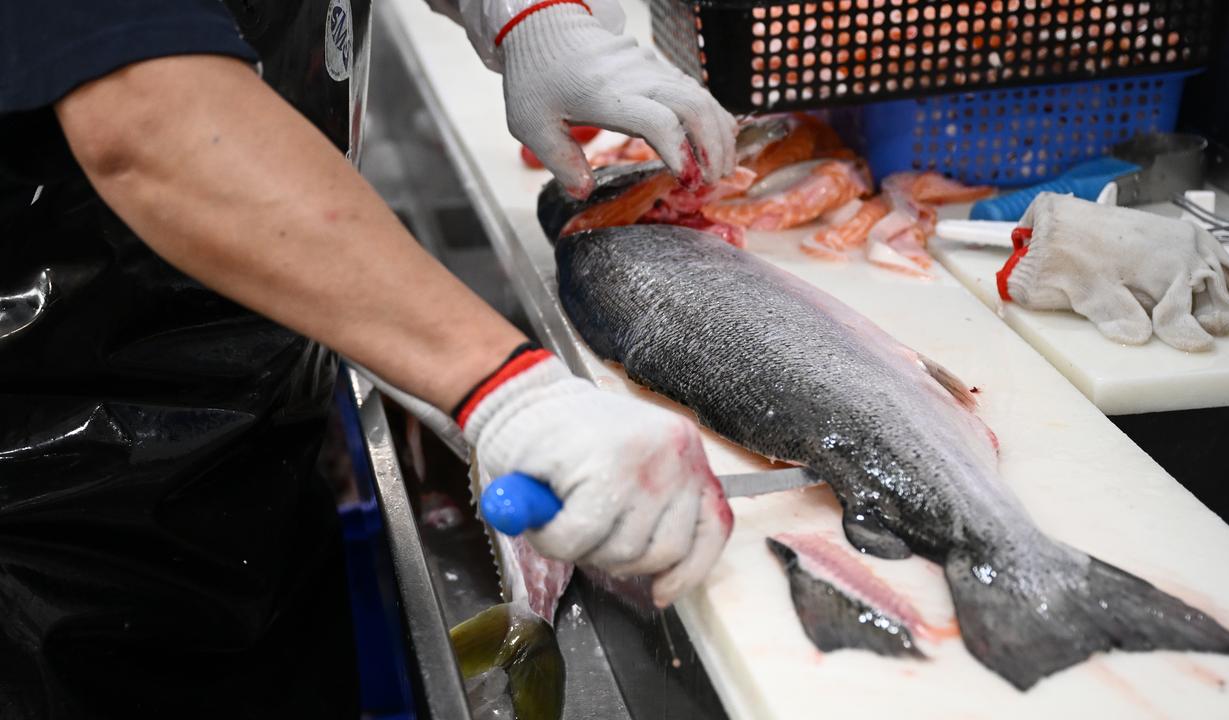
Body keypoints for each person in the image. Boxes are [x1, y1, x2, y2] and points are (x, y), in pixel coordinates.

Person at [0, 0, 735, 717]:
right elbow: (147, 112)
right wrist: (495, 383)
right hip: (48, 513)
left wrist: (519, 11)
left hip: (247, 444)